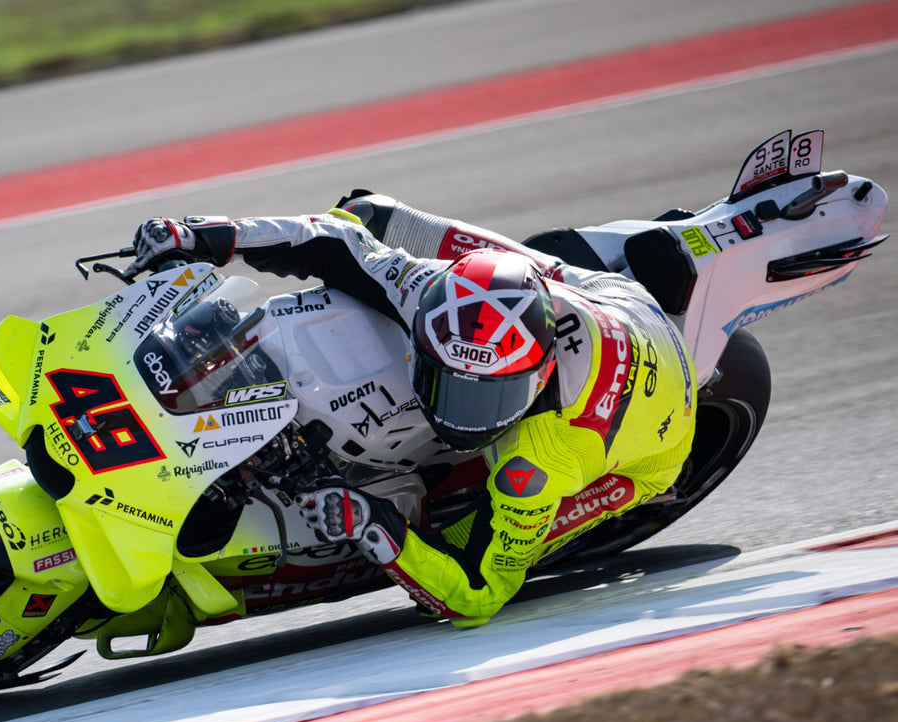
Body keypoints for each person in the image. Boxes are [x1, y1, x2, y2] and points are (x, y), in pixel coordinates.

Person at [126, 196, 696, 627]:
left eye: (486, 397)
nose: (460, 415)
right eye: (445, 380)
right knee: (362, 214)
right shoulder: (430, 289)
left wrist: (373, 524)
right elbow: (330, 240)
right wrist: (201, 235)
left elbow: (477, 597)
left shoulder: (539, 461)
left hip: (654, 440)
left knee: (453, 560)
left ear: (538, 375)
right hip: (598, 295)